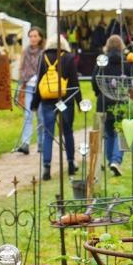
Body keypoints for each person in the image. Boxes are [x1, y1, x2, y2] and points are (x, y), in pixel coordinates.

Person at [31, 35, 83, 181]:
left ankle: (46, 166)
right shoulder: (68, 58)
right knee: (67, 132)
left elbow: (39, 82)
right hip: (65, 100)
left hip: (47, 100)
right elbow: (74, 82)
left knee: (48, 133)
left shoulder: (43, 57)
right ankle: (71, 163)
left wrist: (34, 103)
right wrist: (79, 102)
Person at [91, 35, 133, 177]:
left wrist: (100, 93)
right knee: (121, 131)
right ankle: (115, 160)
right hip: (121, 101)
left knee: (109, 133)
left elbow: (94, 80)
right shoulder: (128, 61)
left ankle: (111, 160)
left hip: (104, 101)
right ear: (122, 46)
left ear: (107, 46)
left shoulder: (102, 61)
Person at [14, 27, 44, 155]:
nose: (33, 38)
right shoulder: (25, 52)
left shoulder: (44, 52)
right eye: (30, 36)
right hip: (28, 86)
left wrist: (37, 76)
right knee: (28, 115)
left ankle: (42, 143)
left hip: (41, 88)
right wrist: (24, 79)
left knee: (41, 116)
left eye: (35, 36)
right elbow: (22, 68)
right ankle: (25, 143)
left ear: (40, 37)